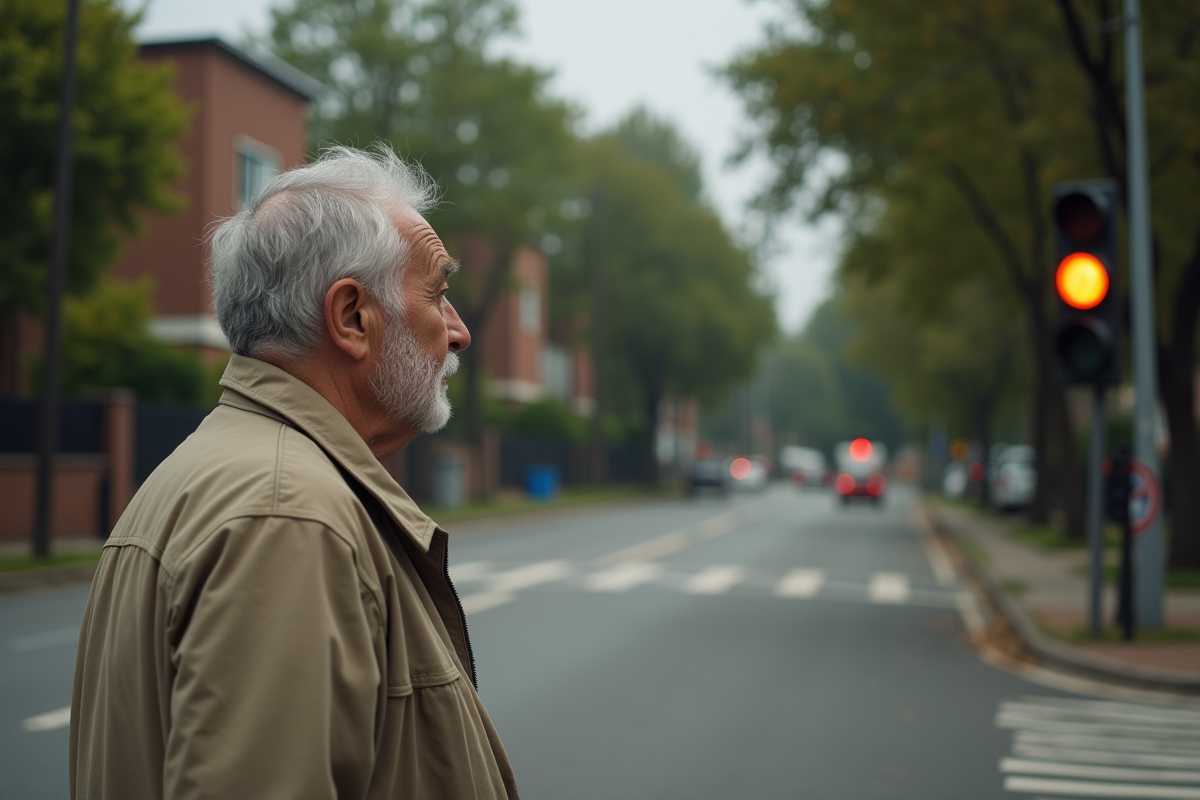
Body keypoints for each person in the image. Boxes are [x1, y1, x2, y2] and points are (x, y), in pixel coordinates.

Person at [69, 146, 519, 800]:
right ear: (350, 318)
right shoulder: (287, 515)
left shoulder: (210, 473)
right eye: (439, 294)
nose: (459, 332)